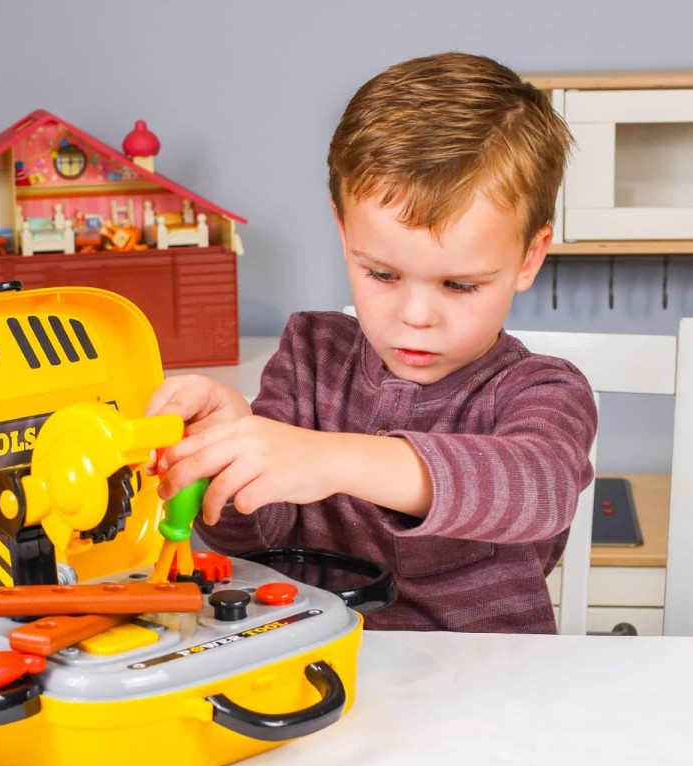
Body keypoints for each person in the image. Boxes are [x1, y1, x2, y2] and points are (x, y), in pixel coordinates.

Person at [146, 51, 597, 633]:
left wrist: (333, 458)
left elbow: (541, 487)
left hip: (490, 689)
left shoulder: (542, 388)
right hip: (320, 666)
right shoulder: (310, 353)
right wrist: (230, 457)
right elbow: (257, 540)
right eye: (382, 275)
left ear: (529, 256)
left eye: (460, 284)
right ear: (343, 230)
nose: (414, 316)